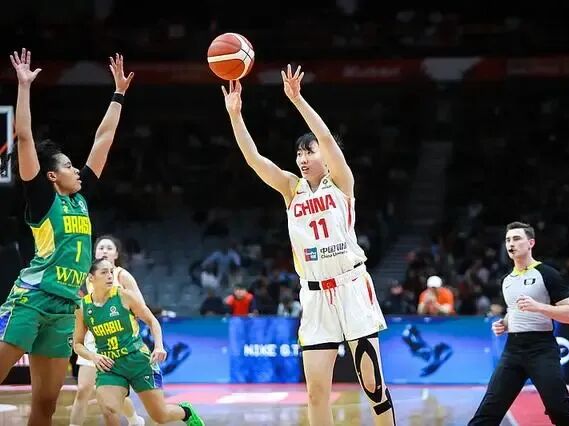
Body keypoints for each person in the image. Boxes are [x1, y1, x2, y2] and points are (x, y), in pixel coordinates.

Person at [222, 65, 395, 426]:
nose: (302, 159)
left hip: (351, 287)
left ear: (324, 156)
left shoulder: (341, 182)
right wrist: (236, 116)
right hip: (314, 296)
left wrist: (298, 99)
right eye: (298, 153)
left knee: (373, 386)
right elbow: (254, 159)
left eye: (308, 152)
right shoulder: (291, 188)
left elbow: (327, 139)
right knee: (316, 393)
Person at [0, 49, 132, 426]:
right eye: (69, 166)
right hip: (32, 300)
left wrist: (119, 94)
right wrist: (24, 86)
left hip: (63, 309)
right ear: (52, 176)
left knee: (45, 404)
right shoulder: (43, 198)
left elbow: (103, 138)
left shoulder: (80, 197)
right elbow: (25, 138)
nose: (77, 170)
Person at [469, 222, 569, 426]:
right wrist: (504, 323)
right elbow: (514, 310)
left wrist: (539, 307)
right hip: (513, 350)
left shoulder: (547, 274)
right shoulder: (507, 280)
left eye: (517, 238)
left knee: (559, 409)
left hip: (542, 349)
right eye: (508, 240)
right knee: (488, 411)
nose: (511, 243)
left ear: (531, 243)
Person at [73, 258, 204, 426]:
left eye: (111, 272)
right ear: (91, 278)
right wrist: (93, 356)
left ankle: (186, 411)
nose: (110, 276)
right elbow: (77, 344)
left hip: (138, 361)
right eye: (104, 272)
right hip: (110, 366)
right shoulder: (83, 307)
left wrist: (159, 346)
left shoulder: (124, 296)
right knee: (109, 410)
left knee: (160, 416)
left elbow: (152, 321)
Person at [70, 235, 145, 426]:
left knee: (112, 392)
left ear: (117, 254)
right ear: (94, 253)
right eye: (100, 248)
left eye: (109, 248)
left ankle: (134, 419)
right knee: (83, 389)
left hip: (118, 342)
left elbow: (140, 307)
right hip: (92, 340)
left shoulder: (122, 276)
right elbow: (83, 309)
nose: (104, 251)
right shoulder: (87, 277)